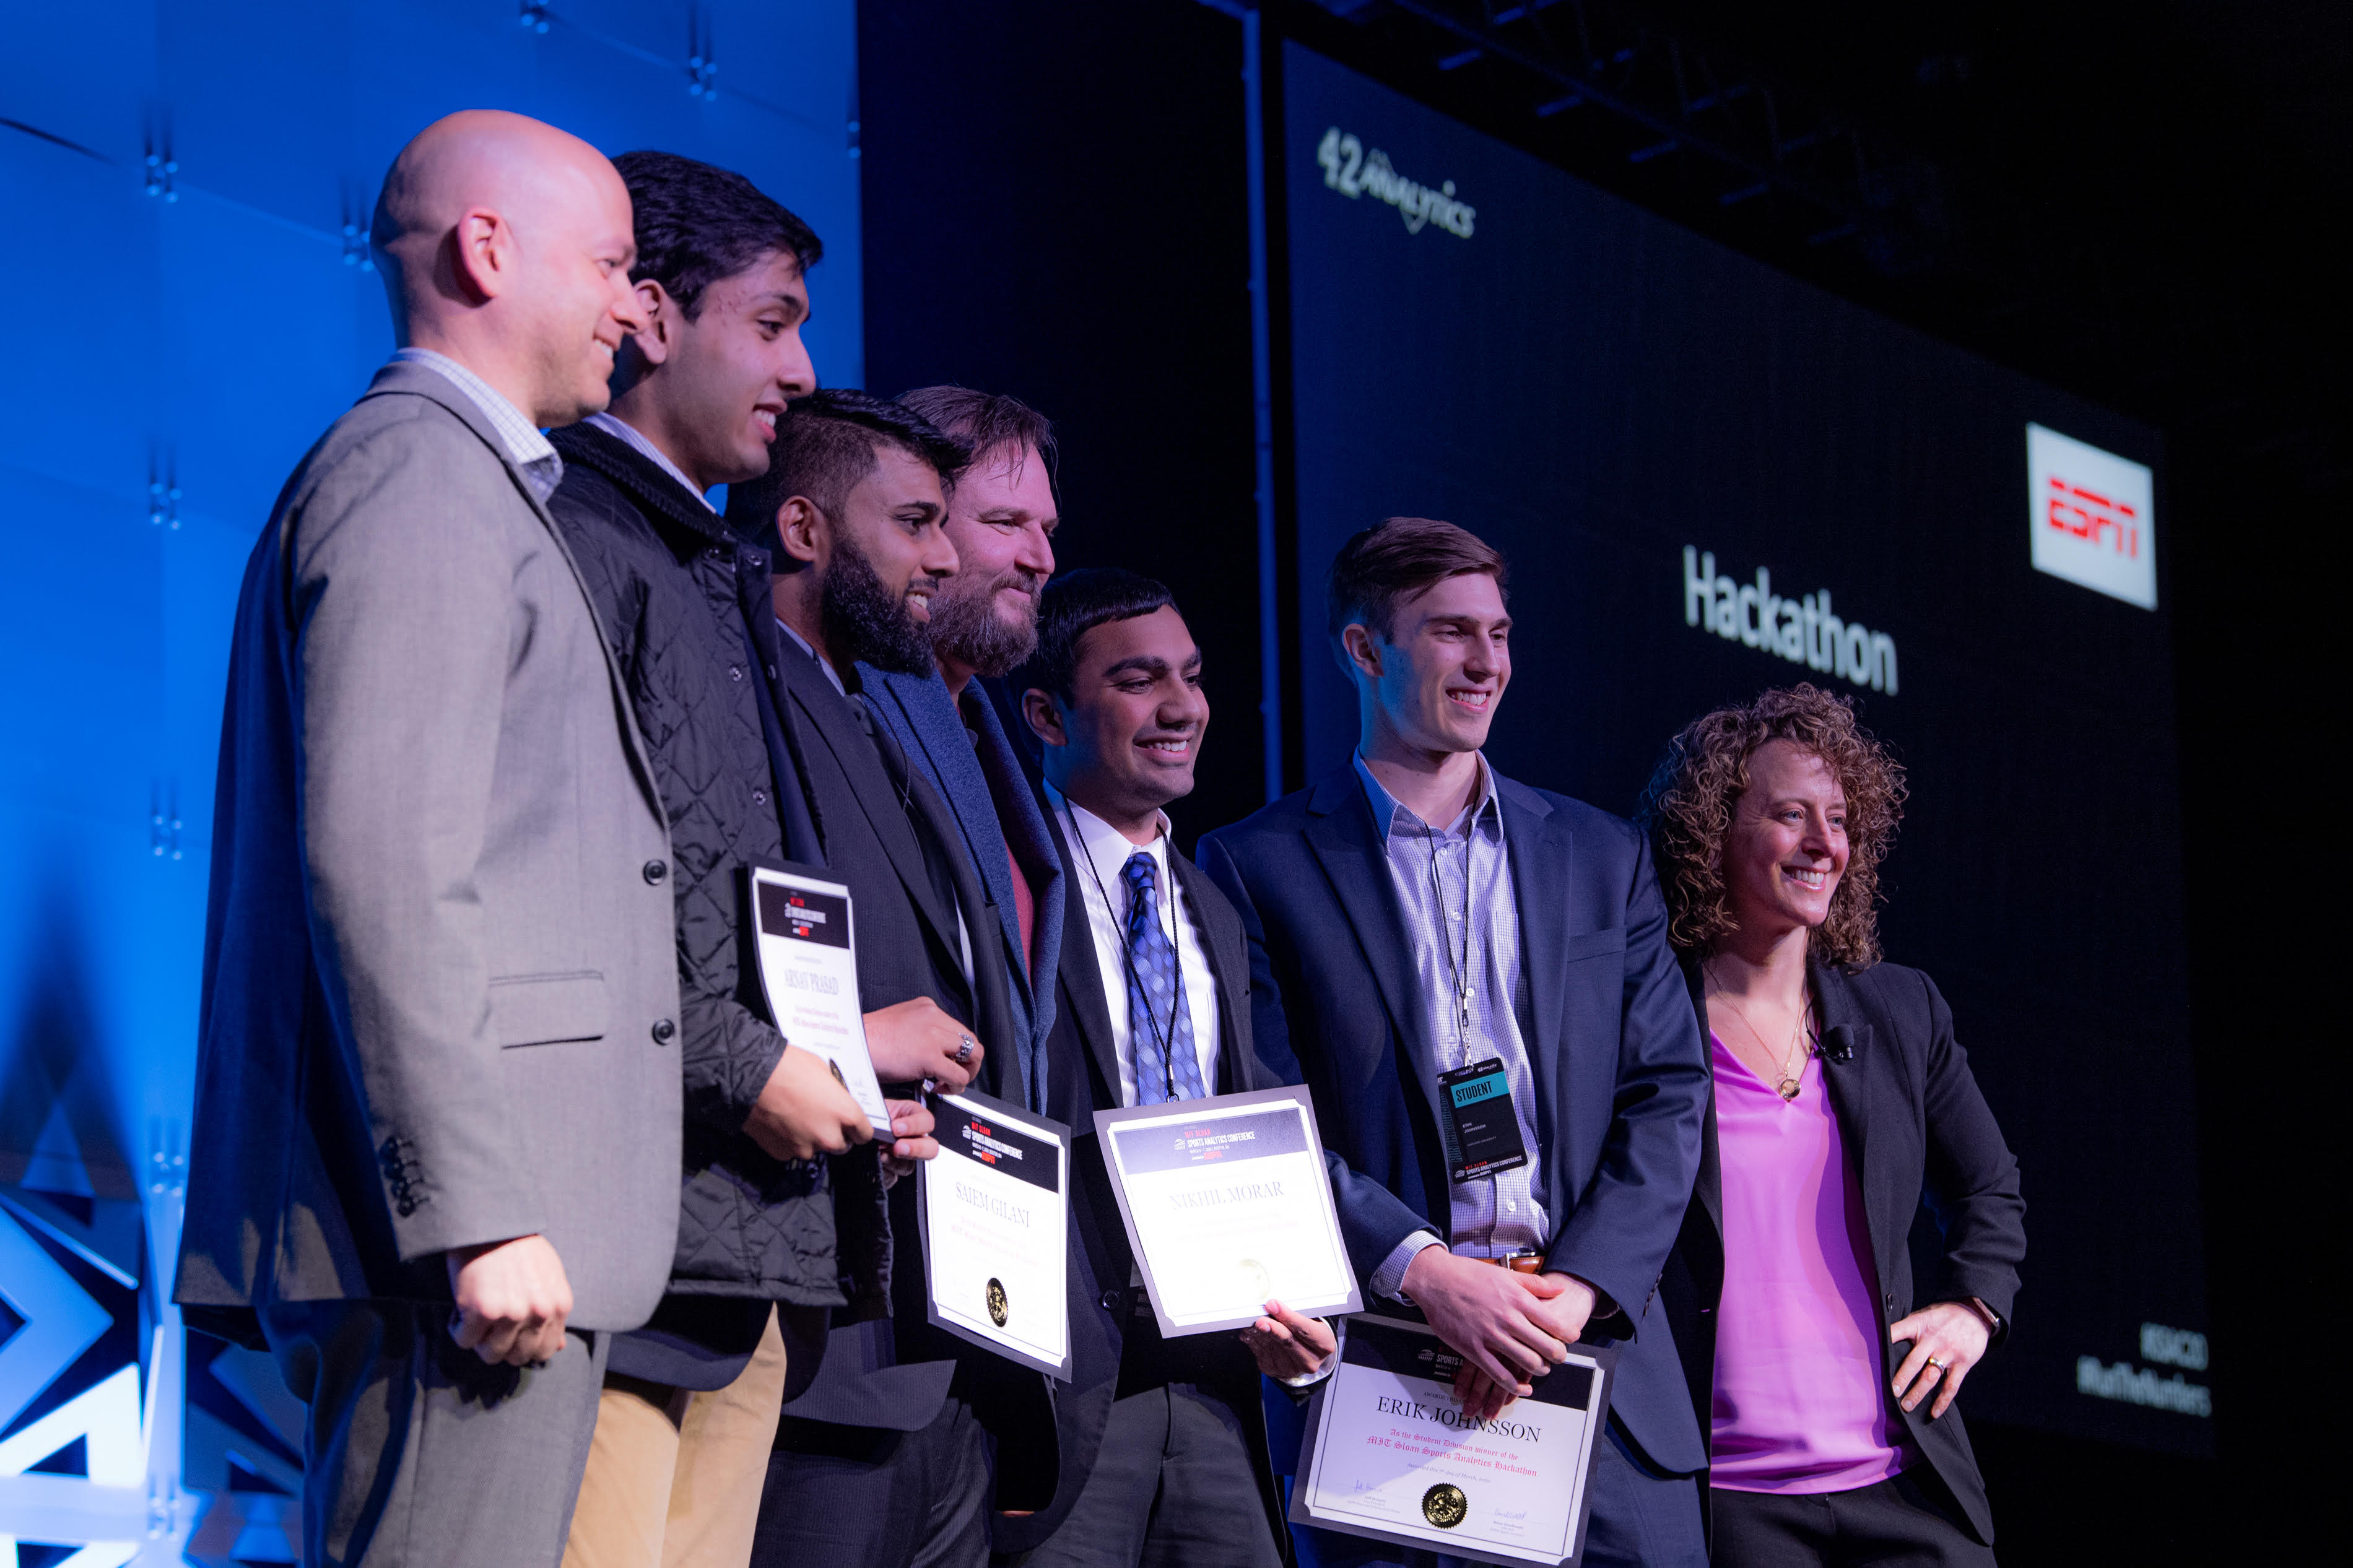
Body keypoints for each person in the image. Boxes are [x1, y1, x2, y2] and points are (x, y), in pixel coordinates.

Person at [173, 111, 679, 1567]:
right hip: (464, 1248)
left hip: (491, 1236)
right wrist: (476, 1206)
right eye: (612, 262)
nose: (633, 306)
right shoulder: (419, 476)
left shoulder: (467, 484)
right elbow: (384, 862)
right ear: (485, 249)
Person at [540, 152, 965, 1568]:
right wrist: (772, 1066)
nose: (801, 366)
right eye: (773, 320)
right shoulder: (569, 536)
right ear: (652, 315)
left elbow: (728, 914)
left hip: (746, 1249)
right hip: (629, 1244)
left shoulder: (696, 571)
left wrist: (828, 1075)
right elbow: (563, 901)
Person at [1199, 518, 1711, 1568]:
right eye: (1449, 632)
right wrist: (1428, 1273)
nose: (1487, 662)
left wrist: (1571, 1293)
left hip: (1591, 1366)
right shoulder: (1255, 864)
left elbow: (1668, 1092)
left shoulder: (1601, 854)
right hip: (1391, 1373)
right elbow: (1266, 1112)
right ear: (1363, 649)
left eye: (1499, 632)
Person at [728, 391, 1027, 1568]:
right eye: (916, 522)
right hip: (815, 1337)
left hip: (932, 1339)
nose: (945, 557)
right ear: (805, 529)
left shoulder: (872, 709)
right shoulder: (742, 695)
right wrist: (854, 1050)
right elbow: (699, 968)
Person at [1637, 685, 2025, 1566]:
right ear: (1713, 833)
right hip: (1728, 1505)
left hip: (1901, 1488)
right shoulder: (1646, 1020)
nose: (1825, 844)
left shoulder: (1899, 1009)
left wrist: (1975, 1304)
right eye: (1790, 816)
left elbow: (1990, 1185)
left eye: (1840, 819)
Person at [1007, 569, 1336, 1565]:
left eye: (1190, 677)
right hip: (1065, 1376)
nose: (1182, 707)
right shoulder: (1013, 891)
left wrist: (1293, 1304)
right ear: (1047, 713)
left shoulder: (1213, 909)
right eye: (1141, 680)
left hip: (1215, 1380)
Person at [856, 386, 1067, 1117]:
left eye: (1046, 528)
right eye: (1006, 522)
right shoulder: (852, 713)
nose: (1040, 558)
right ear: (922, 525)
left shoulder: (983, 732)